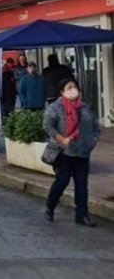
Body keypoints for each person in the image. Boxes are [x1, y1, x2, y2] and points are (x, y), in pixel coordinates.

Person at [44, 78, 99, 227]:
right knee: (62, 181)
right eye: (69, 88)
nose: (72, 90)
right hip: (64, 153)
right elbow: (48, 126)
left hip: (83, 152)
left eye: (74, 87)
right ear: (62, 91)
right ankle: (50, 205)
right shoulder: (56, 107)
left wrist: (93, 140)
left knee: (82, 185)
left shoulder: (84, 107)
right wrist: (61, 138)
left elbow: (95, 126)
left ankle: (82, 215)